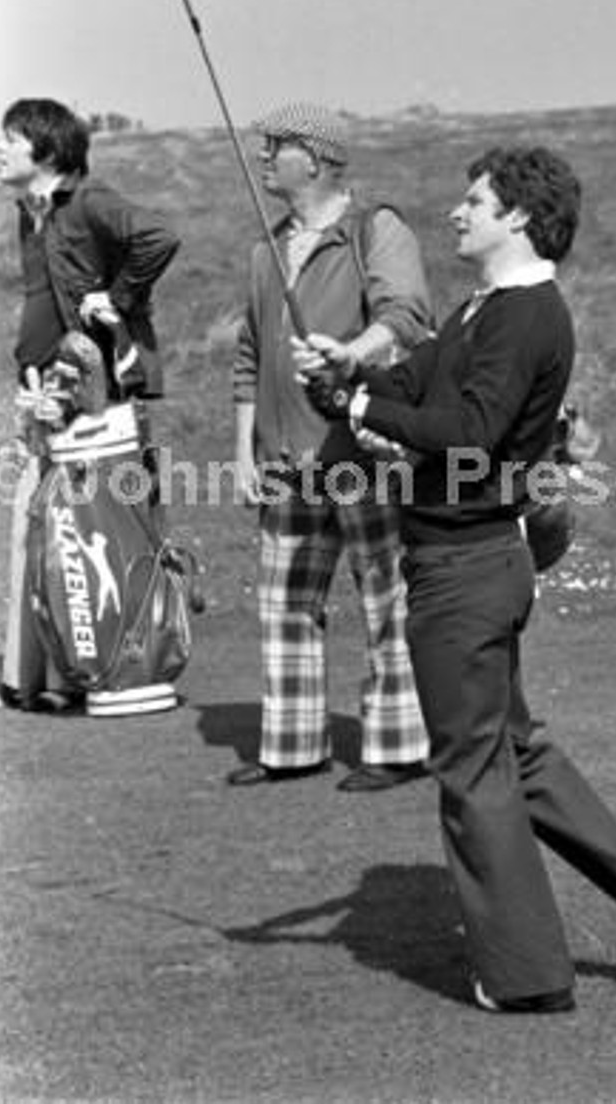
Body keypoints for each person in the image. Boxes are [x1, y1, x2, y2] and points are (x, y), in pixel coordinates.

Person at [293, 145, 616, 1010]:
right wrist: (349, 375)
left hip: (465, 568)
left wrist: (367, 410)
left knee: (471, 769)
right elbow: (417, 382)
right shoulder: (485, 311)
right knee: (513, 752)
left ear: (517, 216)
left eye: (473, 200)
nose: (456, 211)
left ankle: (524, 979)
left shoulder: (526, 317)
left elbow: (470, 428)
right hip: (471, 563)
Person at [229, 103, 433, 792]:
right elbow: (249, 357)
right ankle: (291, 747)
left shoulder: (375, 227)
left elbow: (405, 316)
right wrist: (243, 451)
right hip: (287, 459)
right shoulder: (265, 248)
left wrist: (350, 355)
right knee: (284, 605)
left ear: (312, 158)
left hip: (365, 453)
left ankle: (398, 747)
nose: (262, 157)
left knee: (387, 600)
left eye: (274, 145)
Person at [0, 96, 180, 710]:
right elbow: (41, 298)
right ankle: (52, 677)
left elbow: (159, 236)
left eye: (9, 140)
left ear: (44, 152)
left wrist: (117, 296)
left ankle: (116, 665)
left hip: (102, 393)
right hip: (53, 389)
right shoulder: (32, 213)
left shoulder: (91, 201)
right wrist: (30, 370)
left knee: (102, 529)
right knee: (51, 527)